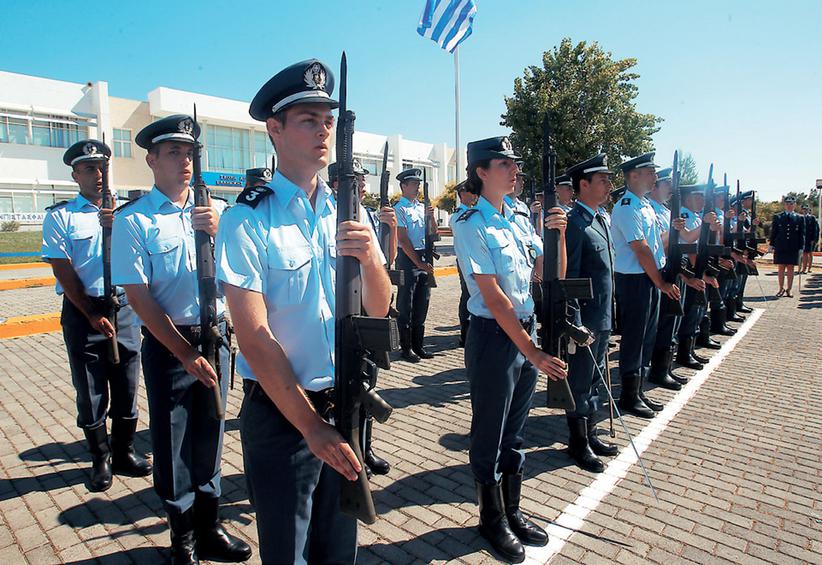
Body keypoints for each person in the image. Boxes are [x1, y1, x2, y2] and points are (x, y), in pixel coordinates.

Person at [216, 58, 391, 564]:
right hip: (283, 414)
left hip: (344, 402)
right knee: (288, 552)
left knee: (338, 550)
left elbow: (379, 309)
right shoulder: (248, 218)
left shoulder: (345, 211)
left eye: (327, 120)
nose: (323, 131)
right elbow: (254, 337)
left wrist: (372, 257)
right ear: (275, 129)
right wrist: (311, 427)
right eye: (308, 120)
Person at [111, 115, 251, 564]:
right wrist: (185, 352)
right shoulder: (135, 220)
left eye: (190, 153)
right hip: (171, 345)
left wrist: (219, 233)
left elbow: (242, 277)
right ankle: (183, 538)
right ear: (151, 159)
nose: (184, 161)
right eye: (174, 152)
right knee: (173, 445)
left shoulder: (221, 213)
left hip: (217, 338)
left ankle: (210, 528)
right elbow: (139, 297)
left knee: (211, 434)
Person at [453, 136, 568, 563]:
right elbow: (494, 297)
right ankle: (490, 518)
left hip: (524, 330)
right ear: (481, 172)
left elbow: (549, 274)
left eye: (515, 163)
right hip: (494, 337)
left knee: (515, 431)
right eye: (504, 163)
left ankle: (513, 510)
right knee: (490, 432)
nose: (514, 169)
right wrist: (533, 352)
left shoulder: (519, 219)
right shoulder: (470, 223)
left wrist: (558, 236)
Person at [41, 139, 151, 493]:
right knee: (90, 388)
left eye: (103, 167)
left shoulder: (128, 214)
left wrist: (116, 225)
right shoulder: (61, 216)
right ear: (75, 175)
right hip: (83, 309)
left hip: (125, 308)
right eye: (89, 168)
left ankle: (124, 451)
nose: (99, 174)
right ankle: (99, 457)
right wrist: (88, 313)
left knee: (127, 382)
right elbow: (63, 268)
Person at [610, 152, 680, 419]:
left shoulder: (644, 205)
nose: (654, 177)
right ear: (634, 175)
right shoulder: (627, 206)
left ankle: (638, 392)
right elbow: (640, 249)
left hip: (649, 276)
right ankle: (629, 395)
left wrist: (672, 231)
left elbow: (654, 243)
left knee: (647, 336)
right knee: (634, 338)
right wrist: (660, 282)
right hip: (636, 280)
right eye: (650, 172)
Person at [562, 154, 619, 473]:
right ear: (583, 185)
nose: (609, 185)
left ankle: (592, 432)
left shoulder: (599, 219)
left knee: (595, 380)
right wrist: (575, 324)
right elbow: (570, 278)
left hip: (602, 317)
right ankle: (578, 443)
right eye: (603, 180)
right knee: (581, 381)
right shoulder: (575, 223)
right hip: (586, 320)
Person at [646, 167, 693, 389]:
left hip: (676, 269)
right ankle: (657, 370)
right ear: (655, 187)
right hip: (661, 271)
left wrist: (708, 224)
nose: (670, 191)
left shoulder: (665, 211)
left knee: (673, 321)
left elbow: (687, 240)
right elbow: (655, 244)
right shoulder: (650, 210)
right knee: (664, 323)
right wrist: (672, 231)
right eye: (666, 185)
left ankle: (666, 368)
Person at [394, 168, 436, 361]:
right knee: (406, 305)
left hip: (423, 255)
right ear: (403, 186)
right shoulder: (399, 209)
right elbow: (402, 239)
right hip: (407, 259)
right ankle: (406, 348)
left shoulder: (421, 207)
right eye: (414, 184)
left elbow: (433, 233)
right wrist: (418, 263)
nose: (417, 187)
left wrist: (431, 217)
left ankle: (419, 346)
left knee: (422, 302)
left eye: (418, 184)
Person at [450, 181, 478, 346]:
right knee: (467, 295)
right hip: (466, 261)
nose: (474, 195)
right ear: (462, 194)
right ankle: (465, 334)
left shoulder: (472, 213)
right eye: (471, 192)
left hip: (474, 260)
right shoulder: (460, 215)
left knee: (473, 295)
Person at [770, 195, 805, 297]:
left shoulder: (799, 218)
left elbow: (802, 234)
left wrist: (801, 248)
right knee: (781, 268)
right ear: (784, 205)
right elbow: (774, 232)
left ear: (795, 205)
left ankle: (789, 289)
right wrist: (771, 245)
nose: (790, 206)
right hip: (781, 246)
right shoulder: (778, 217)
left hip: (793, 247)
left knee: (791, 268)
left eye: (792, 204)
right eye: (787, 204)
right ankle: (780, 288)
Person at [799, 204, 819, 274]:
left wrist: (814, 239)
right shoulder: (800, 217)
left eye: (806, 209)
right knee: (803, 254)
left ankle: (807, 268)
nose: (805, 210)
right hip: (801, 238)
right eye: (803, 209)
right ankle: (802, 268)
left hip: (810, 239)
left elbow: (815, 229)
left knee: (809, 254)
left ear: (808, 210)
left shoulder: (812, 218)